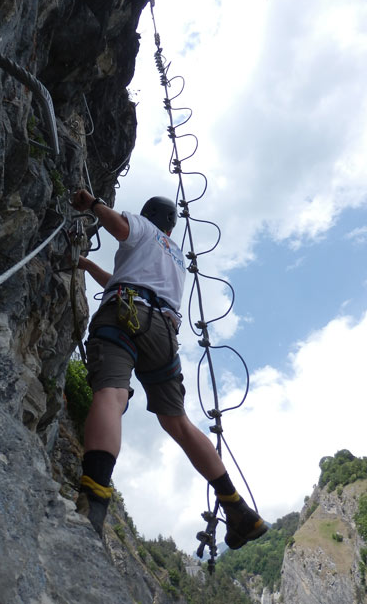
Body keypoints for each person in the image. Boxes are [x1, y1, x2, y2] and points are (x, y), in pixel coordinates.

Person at [71, 188, 267, 549]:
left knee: (111, 395)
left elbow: (118, 227)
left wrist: (93, 204)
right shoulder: (175, 255)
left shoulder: (141, 226)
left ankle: (94, 502)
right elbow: (122, 278)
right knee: (177, 421)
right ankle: (237, 508)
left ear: (146, 215)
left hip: (123, 314)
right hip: (163, 330)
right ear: (173, 229)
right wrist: (86, 265)